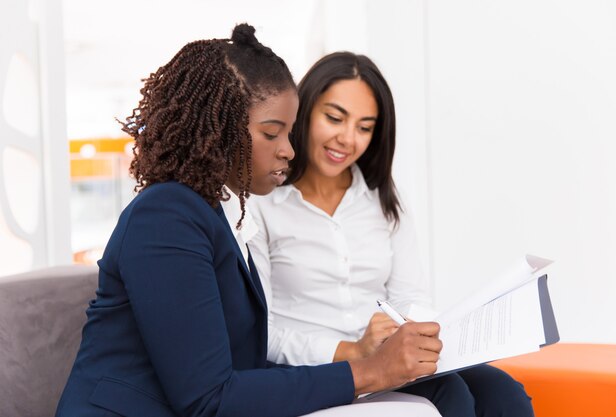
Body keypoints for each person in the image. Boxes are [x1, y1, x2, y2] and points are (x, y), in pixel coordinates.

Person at [55, 25, 446, 417]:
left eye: (289, 133)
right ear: (219, 129)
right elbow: (209, 397)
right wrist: (367, 374)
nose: (289, 151)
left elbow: (239, 373)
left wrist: (367, 377)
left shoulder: (217, 215)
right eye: (272, 133)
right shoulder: (165, 216)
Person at [247, 51, 535, 417]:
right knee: (451, 397)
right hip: (317, 366)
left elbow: (409, 295)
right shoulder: (263, 203)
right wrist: (350, 350)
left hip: (388, 354)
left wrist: (418, 329)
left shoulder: (382, 197)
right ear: (302, 113)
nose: (347, 139)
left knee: (504, 394)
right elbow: (261, 331)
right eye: (335, 118)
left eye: (365, 127)